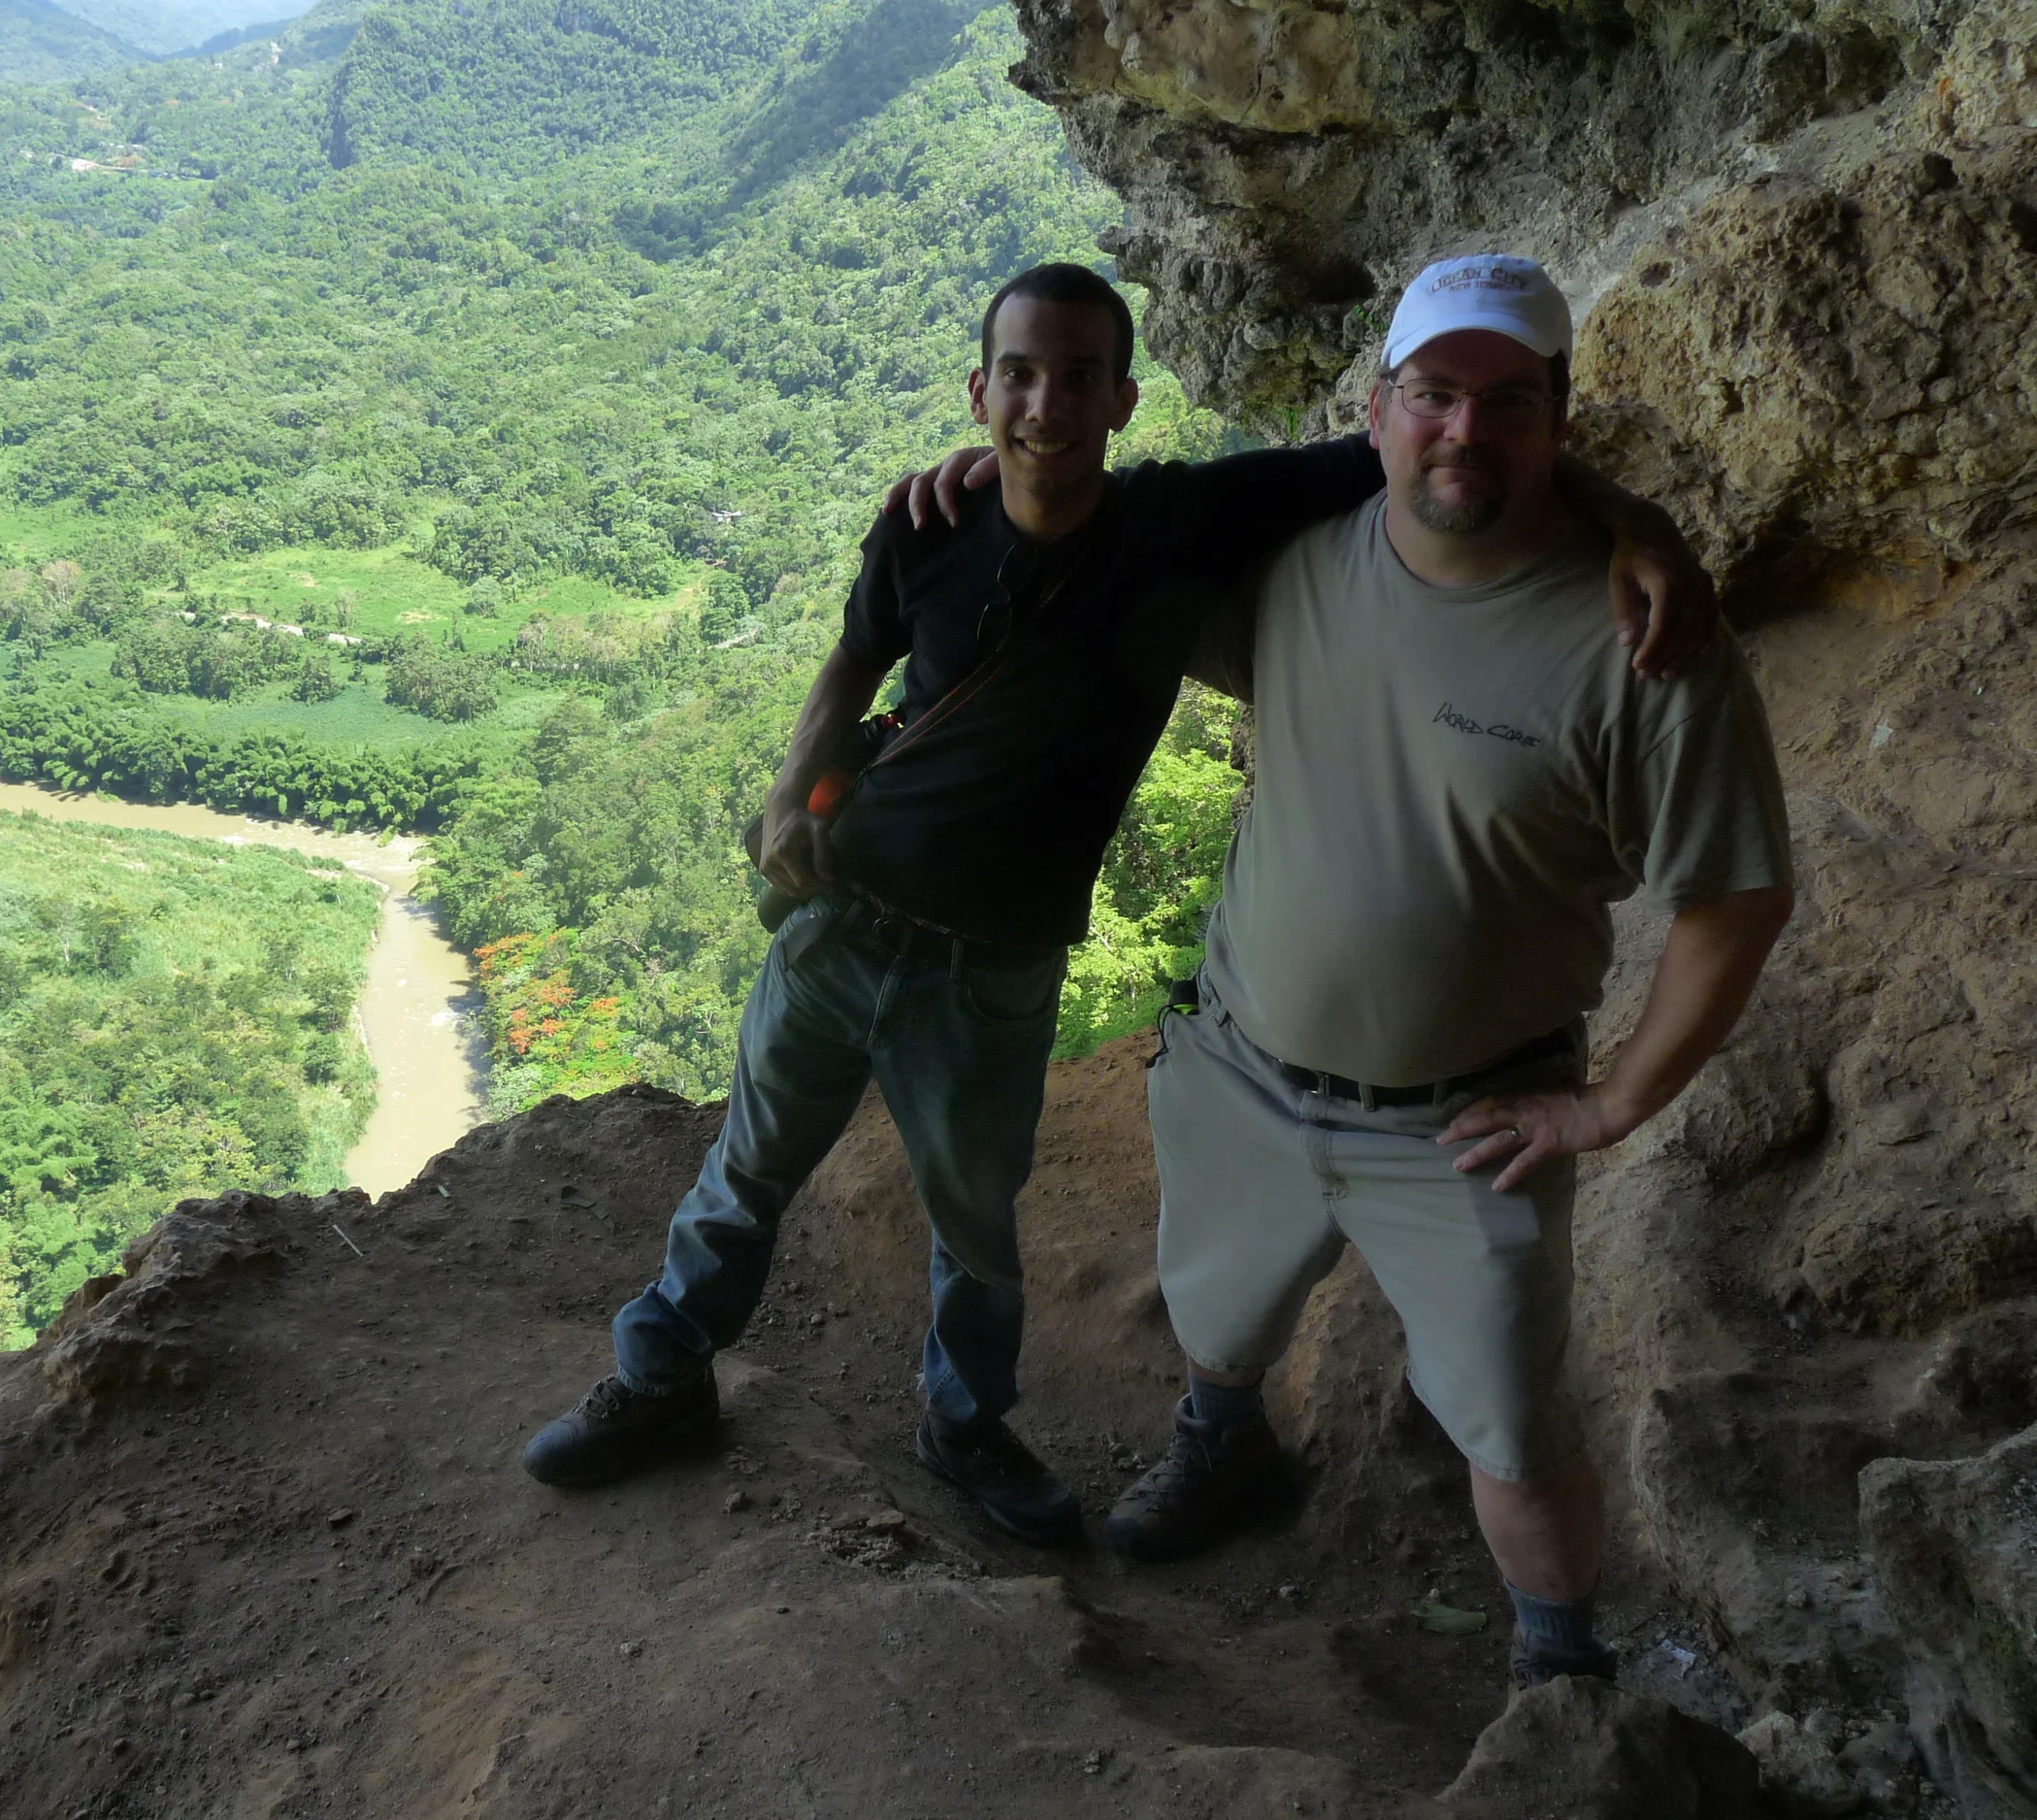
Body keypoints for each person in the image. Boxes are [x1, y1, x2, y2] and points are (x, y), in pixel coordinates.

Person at [520, 261, 1712, 1548]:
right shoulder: (923, 525)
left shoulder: (1180, 526)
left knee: (975, 1229)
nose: (1047, 404)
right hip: (843, 922)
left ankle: (963, 1427)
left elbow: (1438, 442)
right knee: (744, 1171)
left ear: (1124, 399)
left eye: (1080, 376)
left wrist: (1637, 520)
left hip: (996, 966)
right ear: (980, 392)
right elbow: (855, 657)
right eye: (1020, 375)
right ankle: (660, 1376)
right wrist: (793, 784)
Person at [1102, 254, 1793, 1689]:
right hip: (1241, 1061)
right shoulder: (1293, 564)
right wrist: (966, 491)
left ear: (1559, 419)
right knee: (1217, 1310)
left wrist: (1606, 1106)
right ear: (1379, 407)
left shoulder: (1646, 650)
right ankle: (1221, 1447)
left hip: (1468, 1126)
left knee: (1513, 1428)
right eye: (1434, 394)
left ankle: (1560, 1667)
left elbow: (1733, 899)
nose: (1464, 431)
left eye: (1507, 402)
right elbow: (1103, 540)